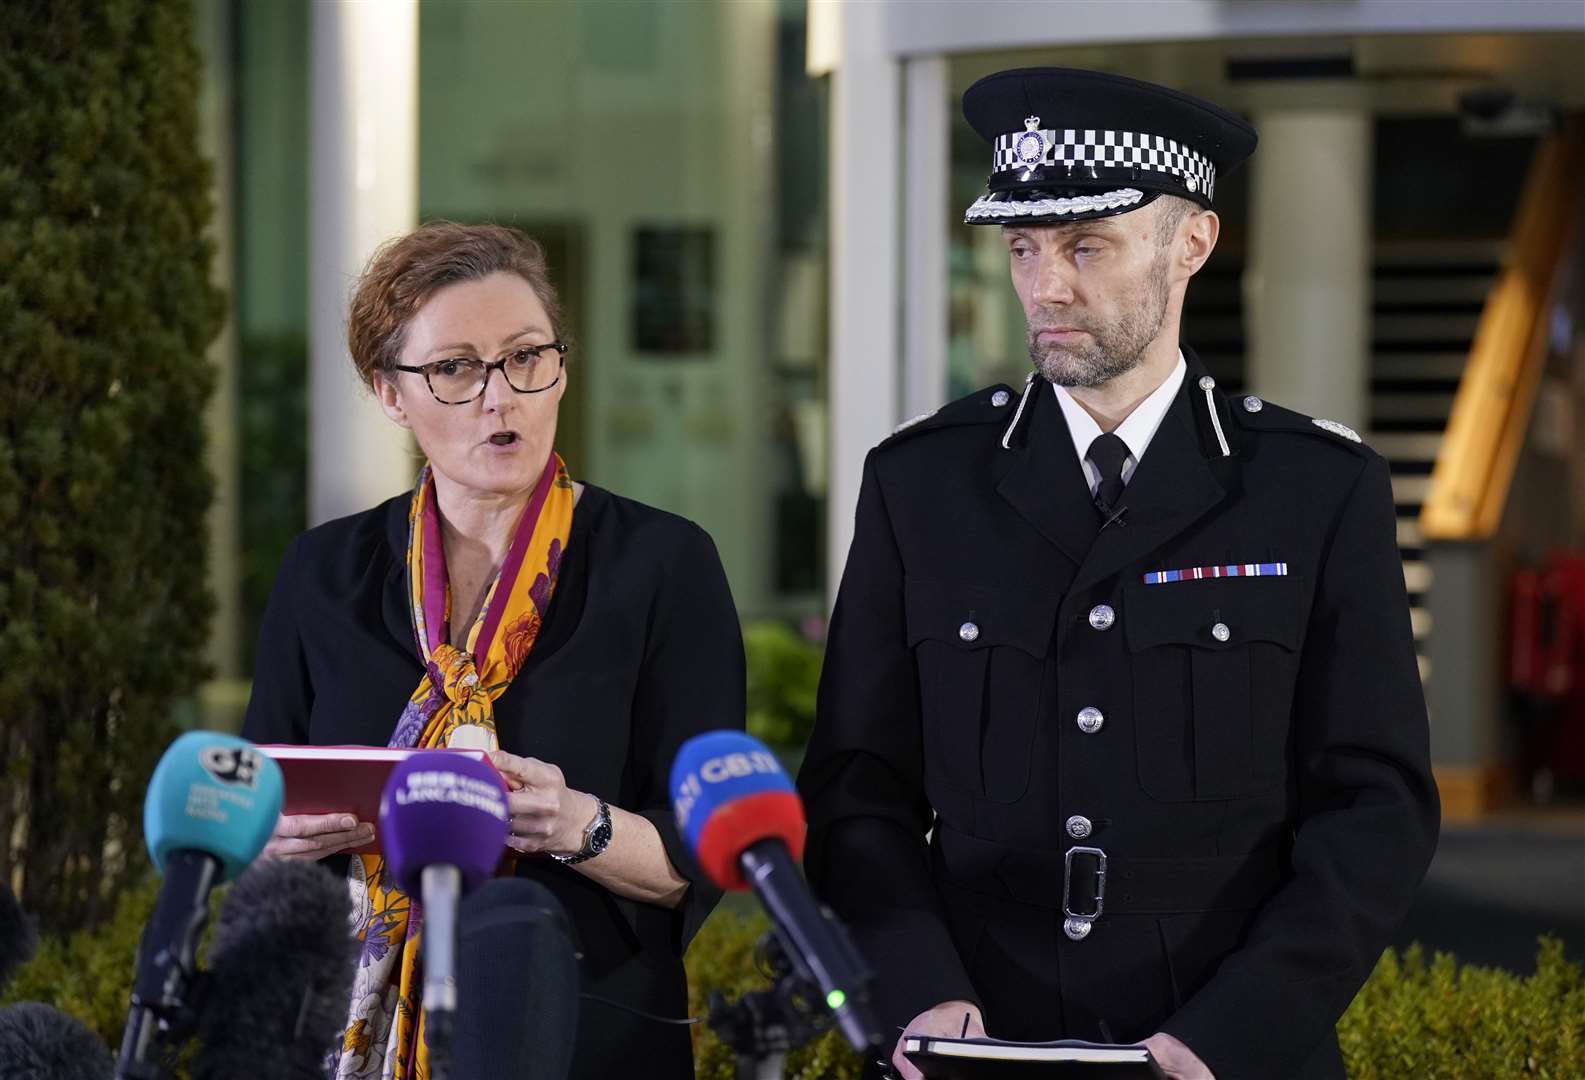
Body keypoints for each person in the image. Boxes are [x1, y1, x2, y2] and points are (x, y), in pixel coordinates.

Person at [798, 67, 1439, 1080]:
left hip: (1226, 1047)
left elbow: (1374, 810)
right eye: (1024, 247)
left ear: (1192, 243)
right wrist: (923, 992)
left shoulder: (1314, 490)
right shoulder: (920, 485)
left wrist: (1230, 1033)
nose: (1045, 285)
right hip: (977, 1040)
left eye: (1086, 245)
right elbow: (856, 791)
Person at [242, 221, 744, 1080]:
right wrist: (274, 836)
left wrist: (574, 824)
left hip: (585, 1030)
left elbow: (707, 854)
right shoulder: (321, 571)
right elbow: (255, 800)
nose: (499, 396)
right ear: (390, 393)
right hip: (332, 1026)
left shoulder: (664, 563)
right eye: (454, 369)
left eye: (525, 358)